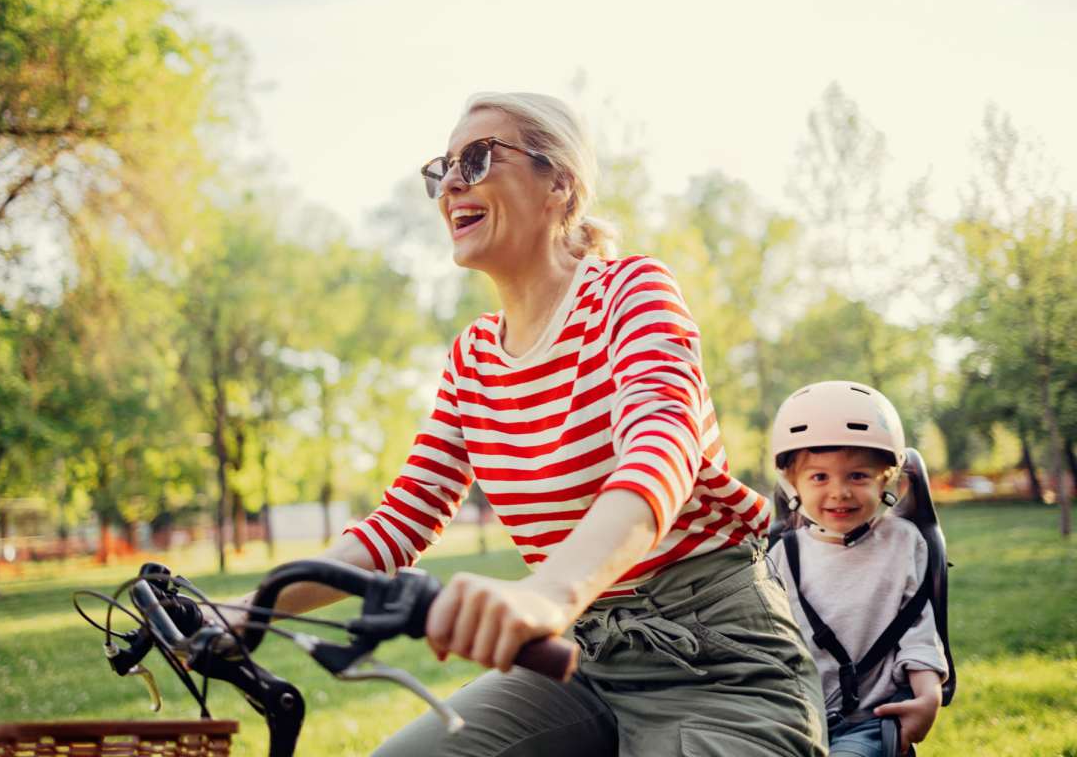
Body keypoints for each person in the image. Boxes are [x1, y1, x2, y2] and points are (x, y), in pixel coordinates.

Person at [241, 92, 827, 756]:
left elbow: (661, 447)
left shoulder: (631, 292)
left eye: (480, 157)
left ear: (560, 184)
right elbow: (397, 525)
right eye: (443, 168)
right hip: (580, 659)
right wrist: (248, 608)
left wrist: (550, 593)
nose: (451, 184)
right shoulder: (473, 360)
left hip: (716, 654)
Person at [768, 381, 949, 756]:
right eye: (819, 476)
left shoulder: (902, 543)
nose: (840, 492)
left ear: (888, 480)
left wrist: (928, 695)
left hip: (871, 718)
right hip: (793, 719)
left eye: (858, 476)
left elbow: (917, 627)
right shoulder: (782, 554)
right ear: (792, 483)